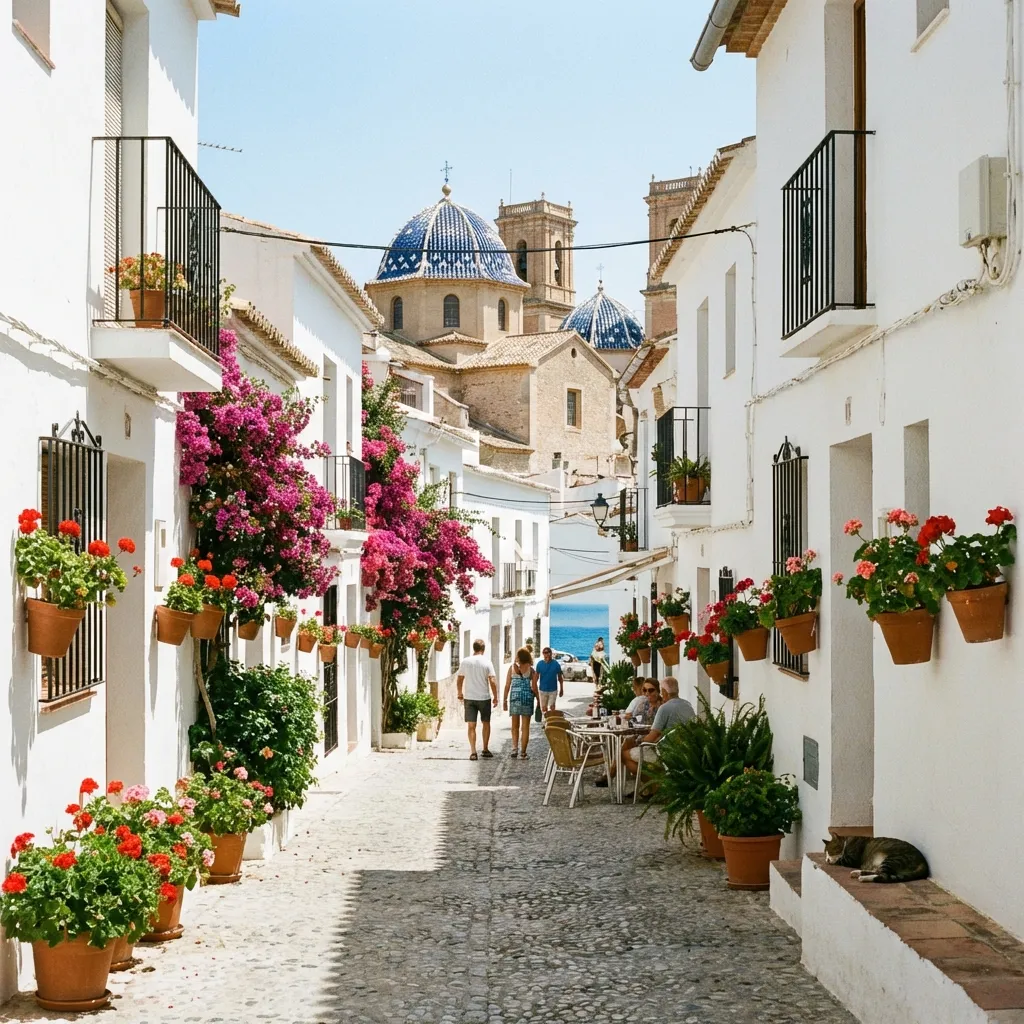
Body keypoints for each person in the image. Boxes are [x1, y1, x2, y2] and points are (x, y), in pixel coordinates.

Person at [598, 677, 694, 787]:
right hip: (684, 750)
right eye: (644, 690)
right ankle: (647, 787)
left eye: (651, 690)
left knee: (623, 754)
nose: (647, 693)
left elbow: (653, 735)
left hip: (662, 751)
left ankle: (654, 787)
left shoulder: (664, 708)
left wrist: (640, 742)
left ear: (662, 691)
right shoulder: (688, 705)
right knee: (628, 743)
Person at [456, 639, 498, 761]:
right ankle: (485, 749)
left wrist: (460, 693)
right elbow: (492, 681)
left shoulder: (465, 662)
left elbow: (460, 679)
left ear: (473, 648)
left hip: (469, 697)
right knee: (486, 723)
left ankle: (473, 752)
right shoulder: (487, 662)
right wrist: (496, 697)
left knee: (471, 726)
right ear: (483, 649)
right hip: (484, 698)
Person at [503, 647, 539, 759]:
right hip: (527, 699)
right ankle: (523, 753)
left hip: (515, 699)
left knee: (514, 726)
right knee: (525, 727)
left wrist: (504, 700)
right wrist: (539, 699)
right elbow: (534, 687)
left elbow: (507, 685)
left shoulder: (512, 668)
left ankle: (514, 749)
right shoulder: (531, 670)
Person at [535, 646, 564, 711]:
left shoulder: (556, 664)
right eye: (545, 653)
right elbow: (536, 677)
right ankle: (545, 717)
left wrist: (562, 689)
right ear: (543, 654)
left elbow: (560, 678)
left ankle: (552, 717)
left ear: (551, 653)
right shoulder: (540, 664)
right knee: (544, 708)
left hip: (553, 690)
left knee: (552, 707)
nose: (547, 654)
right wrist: (534, 688)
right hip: (542, 690)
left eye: (548, 652)